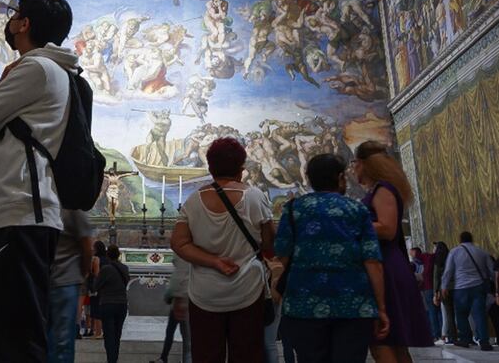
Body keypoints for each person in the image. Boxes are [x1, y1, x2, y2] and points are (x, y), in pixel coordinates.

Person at [0, 0, 80, 363]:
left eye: (14, 15)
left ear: (24, 23)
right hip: (21, 211)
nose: (9, 22)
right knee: (13, 329)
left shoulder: (36, 69)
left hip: (20, 209)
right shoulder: (45, 70)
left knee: (18, 334)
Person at [275, 154, 390, 363]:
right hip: (353, 305)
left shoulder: (293, 210)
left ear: (309, 180)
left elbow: (282, 256)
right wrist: (380, 307)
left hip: (304, 306)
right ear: (340, 178)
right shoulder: (358, 210)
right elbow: (372, 262)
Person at [171, 137, 274, 363]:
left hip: (205, 294)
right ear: (241, 167)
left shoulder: (193, 201)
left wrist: (214, 261)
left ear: (210, 167)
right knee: (247, 354)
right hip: (248, 289)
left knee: (207, 354)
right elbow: (269, 244)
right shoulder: (255, 197)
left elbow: (178, 243)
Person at [352, 141, 433, 362]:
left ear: (364, 164)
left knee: (381, 340)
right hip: (387, 264)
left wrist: (349, 223)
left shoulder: (383, 189)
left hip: (386, 267)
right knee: (394, 343)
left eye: (354, 163)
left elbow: (387, 228)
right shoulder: (381, 189)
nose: (352, 169)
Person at [48, 210, 94, 363]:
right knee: (57, 340)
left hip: (64, 281)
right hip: (51, 281)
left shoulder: (72, 209)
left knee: (62, 340)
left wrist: (82, 272)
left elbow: (87, 247)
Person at [441, 231, 495, 351]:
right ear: (472, 239)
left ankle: (465, 339)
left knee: (461, 314)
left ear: (460, 240)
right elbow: (491, 270)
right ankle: (484, 342)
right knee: (479, 314)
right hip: (478, 287)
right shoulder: (481, 251)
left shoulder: (454, 252)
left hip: (461, 288)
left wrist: (444, 286)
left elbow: (448, 270)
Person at [94, 245, 130, 363]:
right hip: (122, 304)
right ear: (119, 254)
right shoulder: (125, 268)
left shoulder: (105, 269)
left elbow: (96, 286)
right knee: (117, 334)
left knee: (109, 334)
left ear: (108, 255)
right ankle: (114, 358)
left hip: (108, 303)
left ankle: (111, 360)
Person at [153, 254, 191, 363]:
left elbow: (174, 285)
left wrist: (168, 297)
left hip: (180, 303)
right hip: (186, 302)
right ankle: (164, 357)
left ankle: (165, 357)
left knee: (184, 338)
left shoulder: (182, 267)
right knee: (180, 335)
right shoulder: (189, 265)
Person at [432, 242, 457, 344]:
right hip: (456, 287)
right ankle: (464, 335)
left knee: (448, 314)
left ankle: (452, 337)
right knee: (458, 313)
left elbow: (436, 277)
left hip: (444, 289)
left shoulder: (438, 260)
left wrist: (435, 292)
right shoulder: (452, 257)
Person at [86, 241, 107, 338]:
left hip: (96, 287)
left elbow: (95, 274)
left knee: (96, 309)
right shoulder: (107, 259)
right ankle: (103, 331)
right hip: (106, 288)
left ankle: (98, 332)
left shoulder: (95, 259)